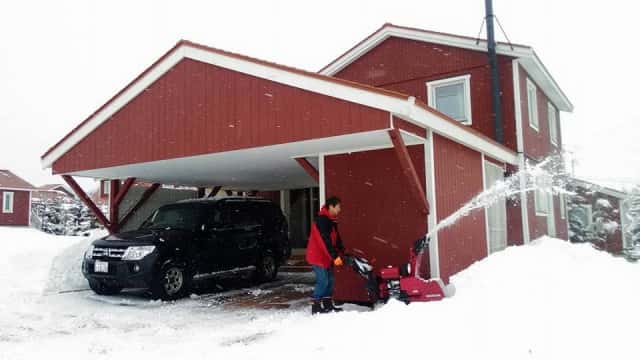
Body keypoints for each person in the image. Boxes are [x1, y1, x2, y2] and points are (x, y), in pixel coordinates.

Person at [305, 196, 345, 315]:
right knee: (323, 281)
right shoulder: (322, 220)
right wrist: (334, 256)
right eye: (338, 207)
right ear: (331, 206)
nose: (340, 210)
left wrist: (341, 250)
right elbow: (325, 240)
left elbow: (336, 238)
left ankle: (327, 304)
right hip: (318, 255)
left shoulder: (331, 220)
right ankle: (316, 306)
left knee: (331, 280)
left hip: (326, 255)